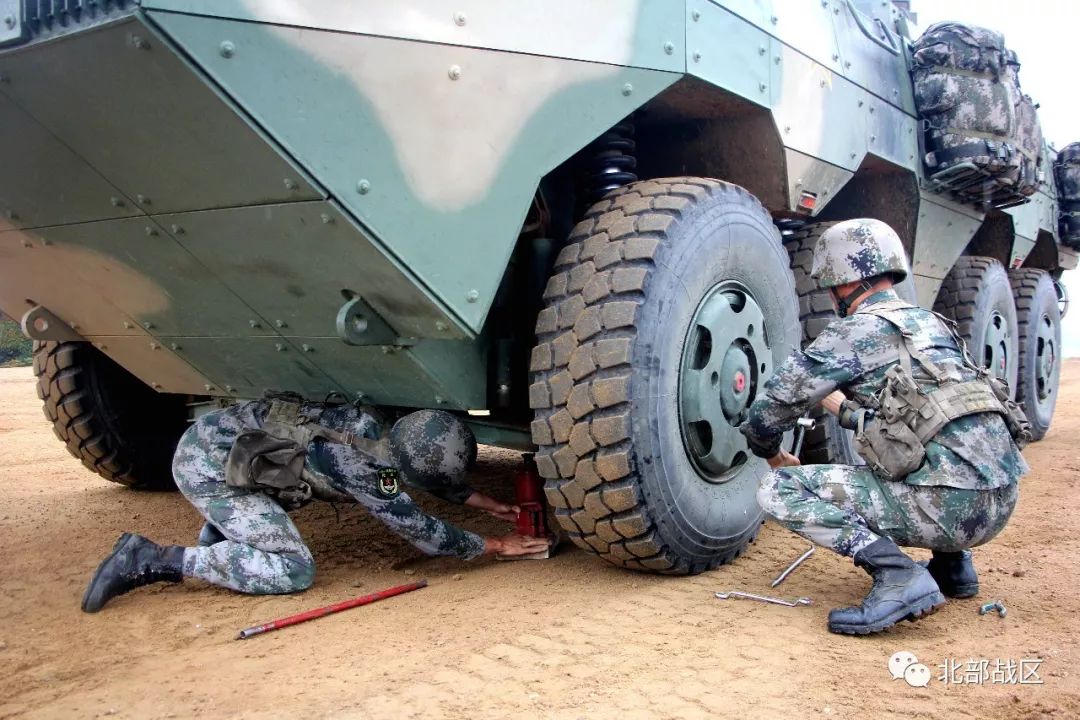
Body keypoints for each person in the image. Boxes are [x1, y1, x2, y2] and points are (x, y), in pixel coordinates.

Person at [740, 218, 1029, 635]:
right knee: (932, 442)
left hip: (951, 511)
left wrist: (771, 452)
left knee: (779, 490)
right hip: (1000, 504)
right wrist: (844, 410)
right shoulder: (932, 325)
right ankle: (953, 566)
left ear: (841, 282)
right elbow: (925, 421)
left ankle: (899, 576)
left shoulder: (855, 331)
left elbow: (771, 409)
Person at [81, 401, 550, 612]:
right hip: (210, 469)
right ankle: (154, 559)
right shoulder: (363, 469)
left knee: (270, 516)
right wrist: (495, 545)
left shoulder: (383, 426)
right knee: (291, 569)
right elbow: (421, 531)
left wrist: (486, 503)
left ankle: (230, 535)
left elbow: (416, 471)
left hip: (231, 444)